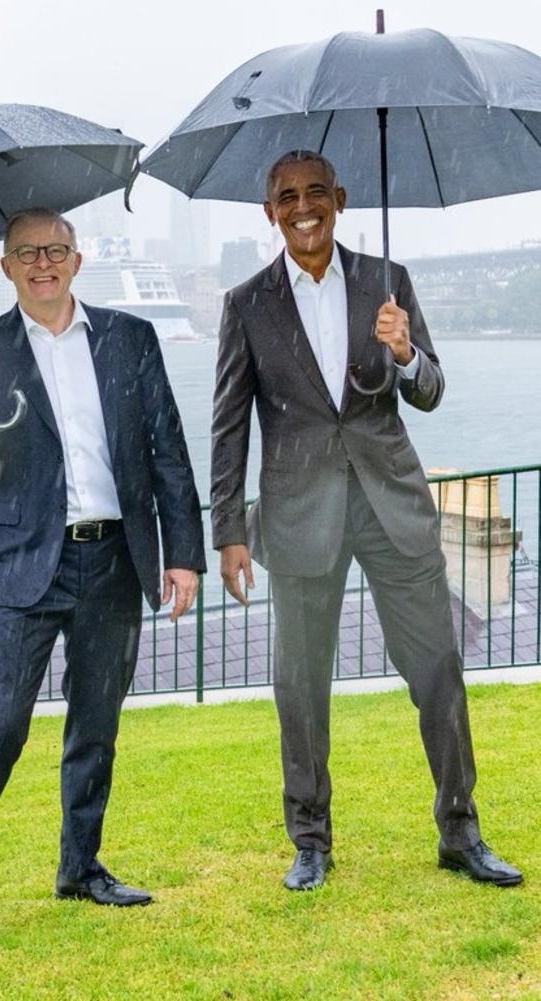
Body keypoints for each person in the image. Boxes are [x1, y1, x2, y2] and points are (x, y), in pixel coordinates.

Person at [210, 150, 522, 892]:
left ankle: (460, 830)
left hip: (391, 507)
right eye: (287, 195)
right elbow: (229, 427)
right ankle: (310, 839)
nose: (304, 205)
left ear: (340, 199)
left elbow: (432, 388)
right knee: (300, 684)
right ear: (270, 212)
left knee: (438, 669)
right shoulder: (246, 304)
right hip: (297, 515)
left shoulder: (390, 282)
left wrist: (406, 351)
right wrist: (227, 531)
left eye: (317, 191)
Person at [0, 207, 206, 952]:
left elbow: (168, 449)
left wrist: (184, 552)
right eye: (27, 253)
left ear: (78, 258)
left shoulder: (131, 339)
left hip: (113, 559)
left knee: (95, 723)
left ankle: (80, 867)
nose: (43, 263)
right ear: (6, 267)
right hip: (24, 565)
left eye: (56, 250)